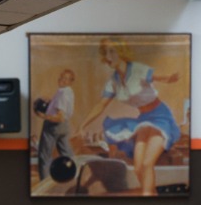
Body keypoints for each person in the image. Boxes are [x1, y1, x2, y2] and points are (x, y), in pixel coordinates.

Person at [76, 37, 181, 196]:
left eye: (112, 51)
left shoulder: (137, 69)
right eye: (105, 53)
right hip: (144, 120)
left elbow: (158, 77)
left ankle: (149, 199)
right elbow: (100, 105)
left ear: (121, 52)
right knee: (138, 168)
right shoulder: (113, 81)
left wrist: (169, 78)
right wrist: (82, 125)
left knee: (147, 164)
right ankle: (152, 197)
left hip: (161, 117)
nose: (108, 57)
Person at [35, 69, 76, 180]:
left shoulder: (62, 93)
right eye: (61, 77)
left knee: (44, 157)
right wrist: (51, 102)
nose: (61, 79)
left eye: (65, 78)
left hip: (53, 126)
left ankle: (44, 184)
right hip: (64, 127)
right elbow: (62, 109)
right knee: (68, 155)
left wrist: (44, 116)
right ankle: (74, 179)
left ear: (70, 81)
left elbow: (59, 117)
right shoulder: (69, 92)